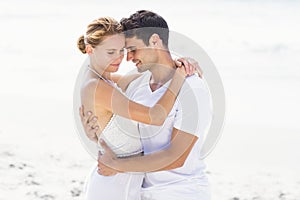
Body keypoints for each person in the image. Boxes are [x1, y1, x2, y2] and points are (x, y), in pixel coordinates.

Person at [81, 10, 212, 200]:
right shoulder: (138, 85)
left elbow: (176, 156)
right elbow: (116, 123)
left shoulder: (192, 88)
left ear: (155, 41)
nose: (128, 58)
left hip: (182, 192)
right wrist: (96, 133)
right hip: (142, 191)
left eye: (133, 49)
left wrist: (116, 165)